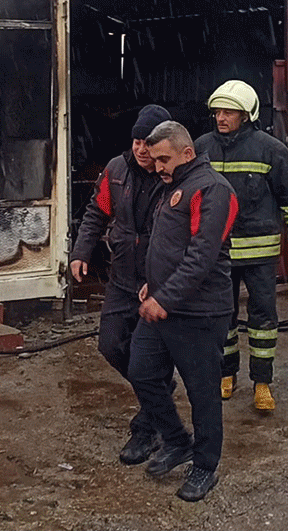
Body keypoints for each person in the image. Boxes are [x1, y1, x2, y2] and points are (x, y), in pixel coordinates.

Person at [129, 120, 237, 502]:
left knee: (203, 393)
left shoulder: (212, 190)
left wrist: (164, 298)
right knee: (140, 371)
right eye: (155, 159)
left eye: (164, 158)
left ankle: (205, 466)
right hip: (162, 305)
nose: (157, 166)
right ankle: (176, 440)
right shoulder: (172, 186)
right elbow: (167, 246)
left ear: (187, 153)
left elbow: (201, 256)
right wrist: (151, 285)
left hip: (199, 312)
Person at [194, 79, 288, 413]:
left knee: (262, 319)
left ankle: (262, 383)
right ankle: (225, 375)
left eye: (229, 111)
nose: (221, 117)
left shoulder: (271, 149)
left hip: (259, 252)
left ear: (247, 114)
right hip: (218, 252)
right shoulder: (202, 147)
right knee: (221, 317)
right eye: (218, 111)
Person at [69, 104, 172, 465]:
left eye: (149, 142)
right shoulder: (115, 170)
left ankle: (148, 427)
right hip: (122, 279)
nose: (142, 150)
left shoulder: (172, 174)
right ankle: (158, 396)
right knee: (111, 346)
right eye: (137, 141)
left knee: (149, 359)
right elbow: (96, 213)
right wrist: (80, 252)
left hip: (158, 284)